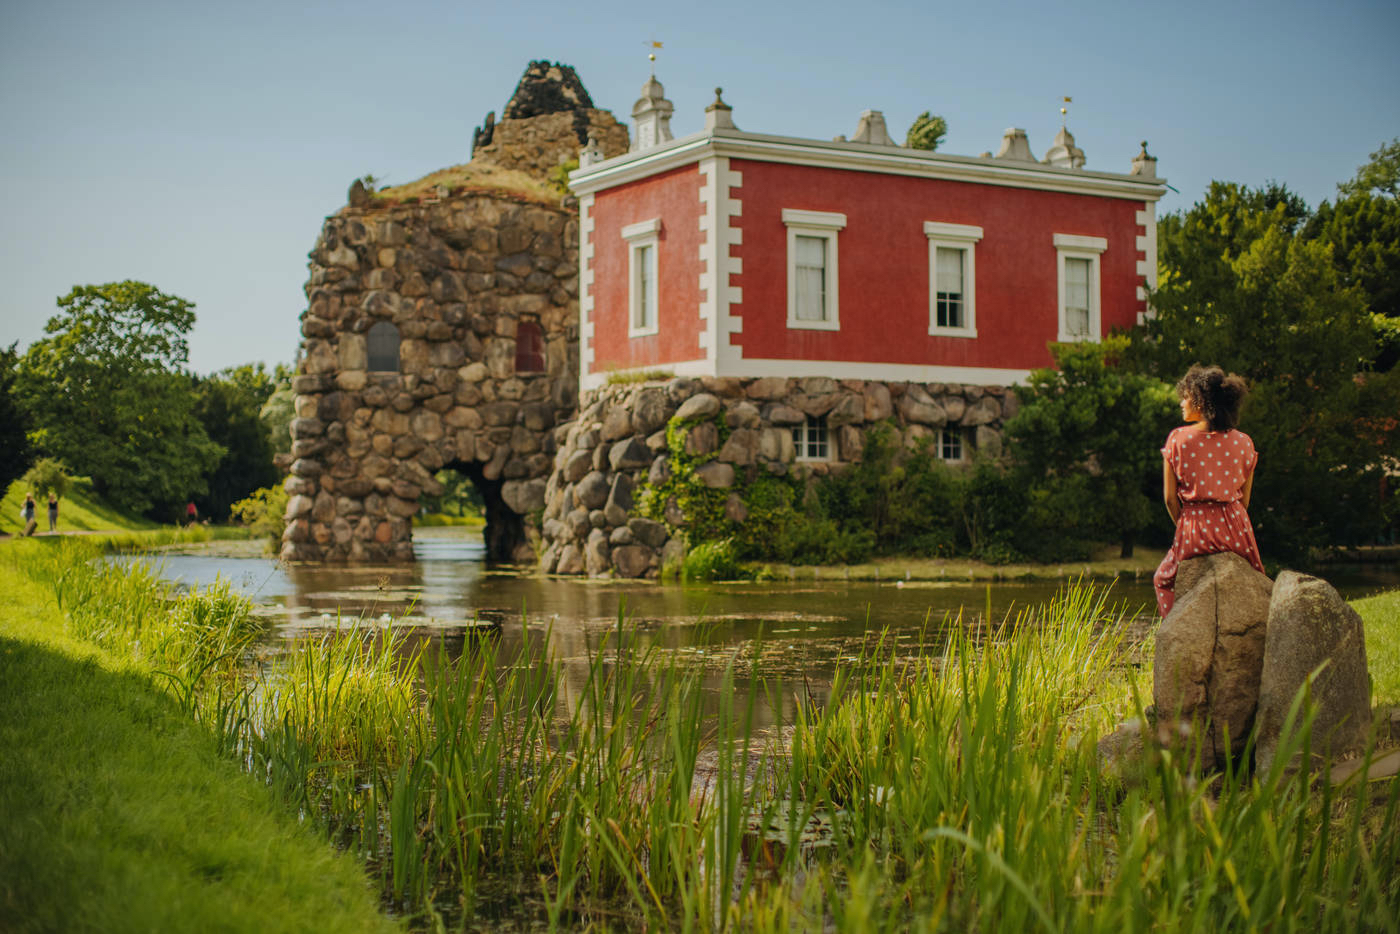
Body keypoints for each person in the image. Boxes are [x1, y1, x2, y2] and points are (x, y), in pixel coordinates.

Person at [1153, 364, 1264, 617]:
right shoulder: (1244, 442)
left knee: (1163, 579)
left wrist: (1184, 524)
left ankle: (1175, 630)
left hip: (1195, 527)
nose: (1182, 402)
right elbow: (1244, 501)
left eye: (1187, 396)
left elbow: (1170, 499)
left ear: (1201, 401)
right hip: (1236, 527)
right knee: (1253, 578)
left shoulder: (1178, 439)